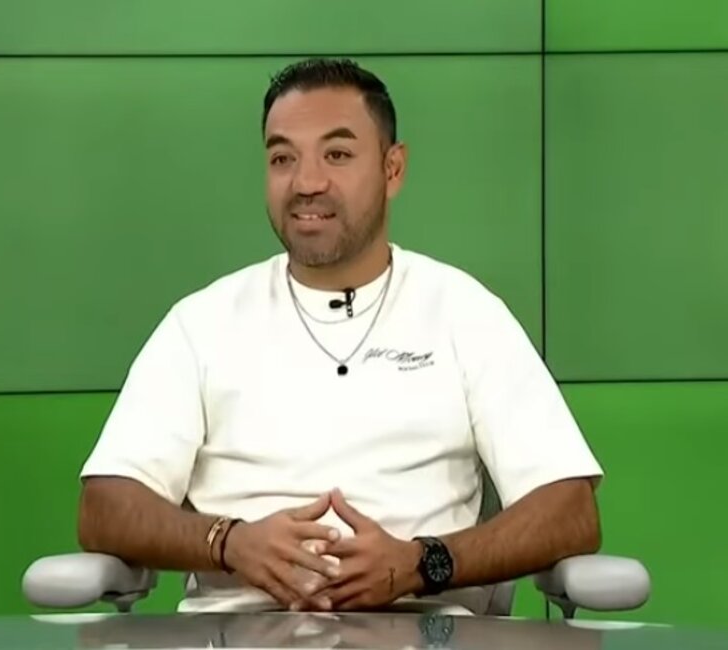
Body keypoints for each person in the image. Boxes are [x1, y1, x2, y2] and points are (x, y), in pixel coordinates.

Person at [77, 57, 603, 615]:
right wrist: (229, 542)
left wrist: (420, 563)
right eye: (283, 158)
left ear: (392, 169)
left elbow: (569, 510)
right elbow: (105, 506)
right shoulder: (202, 323)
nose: (307, 183)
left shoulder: (464, 313)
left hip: (425, 633)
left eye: (337, 155)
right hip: (237, 636)